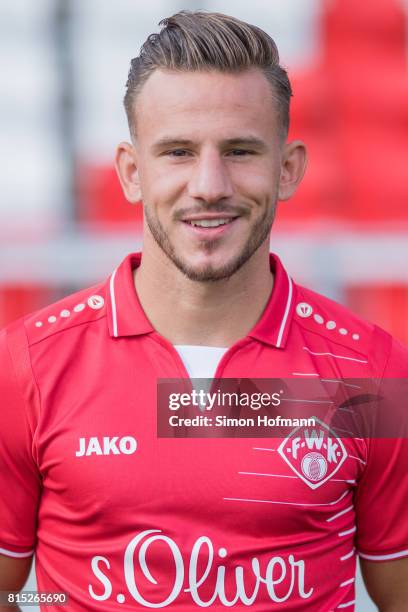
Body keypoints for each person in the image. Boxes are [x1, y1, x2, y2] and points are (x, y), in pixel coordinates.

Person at [0, 10, 407, 611]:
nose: (210, 184)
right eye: (179, 152)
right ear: (132, 173)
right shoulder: (26, 366)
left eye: (240, 150)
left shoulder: (369, 370)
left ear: (289, 168)